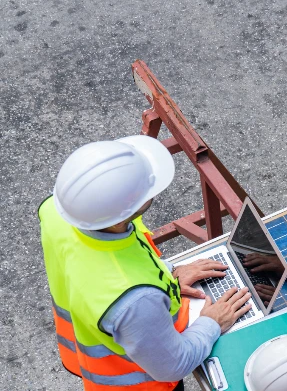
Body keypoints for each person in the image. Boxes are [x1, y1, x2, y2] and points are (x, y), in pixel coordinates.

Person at [39, 136, 251, 390]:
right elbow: (173, 365)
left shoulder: (58, 210)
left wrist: (168, 274)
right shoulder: (136, 301)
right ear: (125, 213)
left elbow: (118, 253)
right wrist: (213, 322)